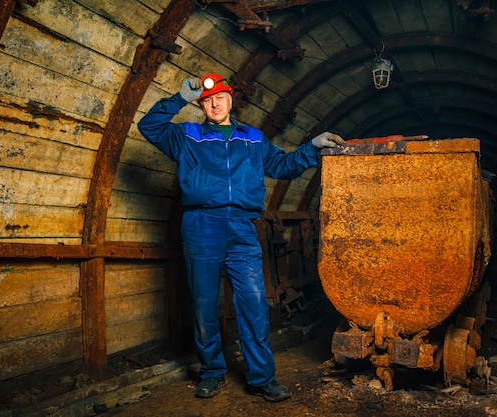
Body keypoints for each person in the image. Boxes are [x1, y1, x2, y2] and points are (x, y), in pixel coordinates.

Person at [137, 73, 345, 402]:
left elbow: (284, 165)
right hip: (201, 225)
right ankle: (212, 372)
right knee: (205, 306)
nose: (214, 103)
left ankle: (262, 377)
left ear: (231, 99)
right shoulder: (187, 135)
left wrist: (311, 147)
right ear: (201, 105)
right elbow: (148, 128)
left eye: (219, 97)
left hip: (243, 229)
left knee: (253, 305)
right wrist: (178, 99)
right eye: (206, 100)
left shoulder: (253, 138)